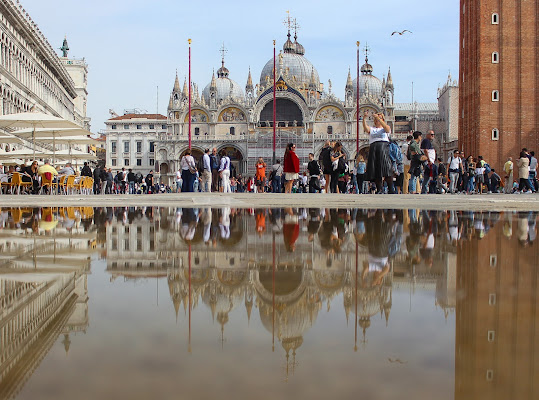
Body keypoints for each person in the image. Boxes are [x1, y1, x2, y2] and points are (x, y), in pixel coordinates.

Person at [363, 111, 394, 194]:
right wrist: (364, 118)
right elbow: (366, 129)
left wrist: (379, 119)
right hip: (374, 148)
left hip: (383, 148)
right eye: (376, 119)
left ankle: (391, 189)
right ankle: (379, 189)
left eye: (379, 118)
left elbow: (387, 129)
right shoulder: (373, 129)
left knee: (387, 168)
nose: (377, 120)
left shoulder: (385, 128)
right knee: (376, 170)